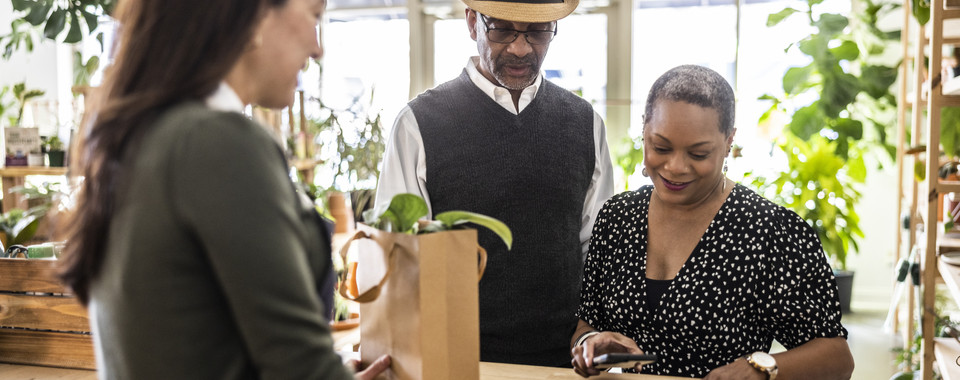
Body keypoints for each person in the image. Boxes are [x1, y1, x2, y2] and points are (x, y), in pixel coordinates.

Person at [57, 0, 390, 378]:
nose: (318, 48)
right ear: (256, 17)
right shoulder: (219, 143)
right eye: (314, 14)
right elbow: (301, 368)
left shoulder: (138, 137)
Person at [570, 65, 855, 379]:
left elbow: (837, 358)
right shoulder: (617, 218)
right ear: (644, 131)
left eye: (699, 153)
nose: (676, 167)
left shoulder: (771, 232)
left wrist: (759, 368)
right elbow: (588, 320)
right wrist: (591, 342)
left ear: (729, 141)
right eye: (660, 147)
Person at [375, 0, 614, 368]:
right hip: (456, 364)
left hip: (565, 365)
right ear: (472, 23)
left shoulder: (585, 124)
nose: (520, 48)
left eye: (536, 31)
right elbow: (396, 263)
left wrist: (591, 337)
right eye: (502, 29)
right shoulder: (417, 124)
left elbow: (596, 253)